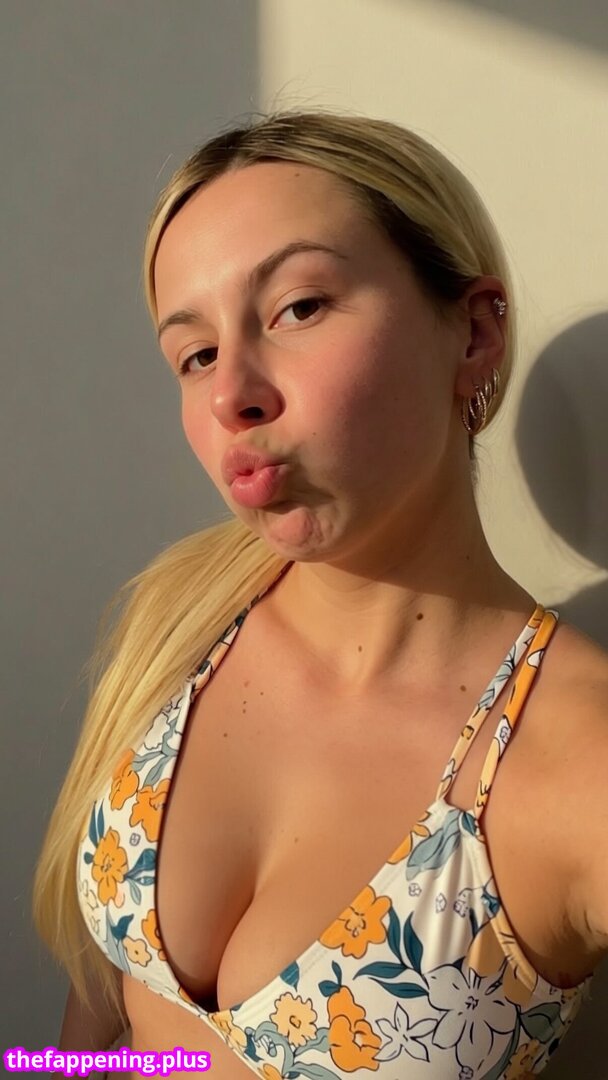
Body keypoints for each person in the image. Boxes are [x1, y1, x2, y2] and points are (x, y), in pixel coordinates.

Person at [33, 108, 608, 1079]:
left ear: (471, 334)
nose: (232, 396)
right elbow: (101, 1000)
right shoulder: (178, 614)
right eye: (195, 354)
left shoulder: (576, 762)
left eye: (297, 308)